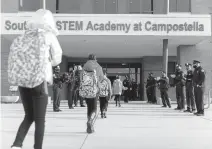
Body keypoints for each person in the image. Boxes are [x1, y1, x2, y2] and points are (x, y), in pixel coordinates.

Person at [8, 9, 62, 149]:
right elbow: (57, 58)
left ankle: (17, 144)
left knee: (29, 116)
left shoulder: (24, 36)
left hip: (23, 81)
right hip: (39, 81)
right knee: (39, 120)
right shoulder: (48, 36)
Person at [82, 54, 104, 133]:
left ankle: (89, 125)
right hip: (94, 90)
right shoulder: (98, 66)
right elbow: (101, 78)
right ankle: (90, 121)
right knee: (94, 108)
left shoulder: (84, 66)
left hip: (86, 90)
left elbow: (81, 78)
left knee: (89, 107)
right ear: (95, 59)